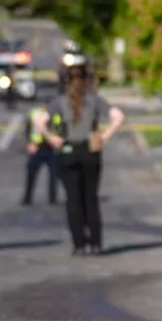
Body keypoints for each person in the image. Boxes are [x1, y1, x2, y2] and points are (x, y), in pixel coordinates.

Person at [37, 60, 125, 256]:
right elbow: (118, 117)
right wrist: (104, 136)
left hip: (68, 151)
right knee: (91, 198)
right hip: (90, 150)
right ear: (87, 80)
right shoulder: (94, 100)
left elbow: (40, 121)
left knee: (73, 199)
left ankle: (78, 244)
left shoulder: (59, 102)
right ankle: (96, 242)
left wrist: (52, 138)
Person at [22, 97, 61, 206]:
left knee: (54, 175)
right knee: (31, 174)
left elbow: (61, 129)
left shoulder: (57, 115)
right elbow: (28, 129)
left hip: (51, 148)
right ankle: (27, 198)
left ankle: (52, 199)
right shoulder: (35, 113)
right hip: (37, 147)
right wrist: (29, 142)